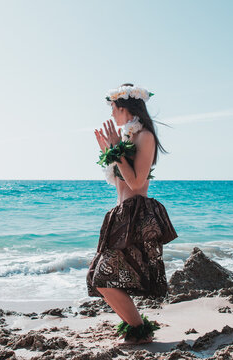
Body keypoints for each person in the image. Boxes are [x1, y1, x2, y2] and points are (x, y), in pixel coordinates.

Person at [87, 83, 178, 346]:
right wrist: (110, 150)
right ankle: (137, 329)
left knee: (102, 278)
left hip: (136, 215)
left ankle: (140, 331)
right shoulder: (128, 136)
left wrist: (116, 151)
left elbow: (137, 183)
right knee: (99, 278)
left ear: (124, 108)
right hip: (121, 214)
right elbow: (121, 182)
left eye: (113, 108)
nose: (112, 114)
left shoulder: (144, 136)